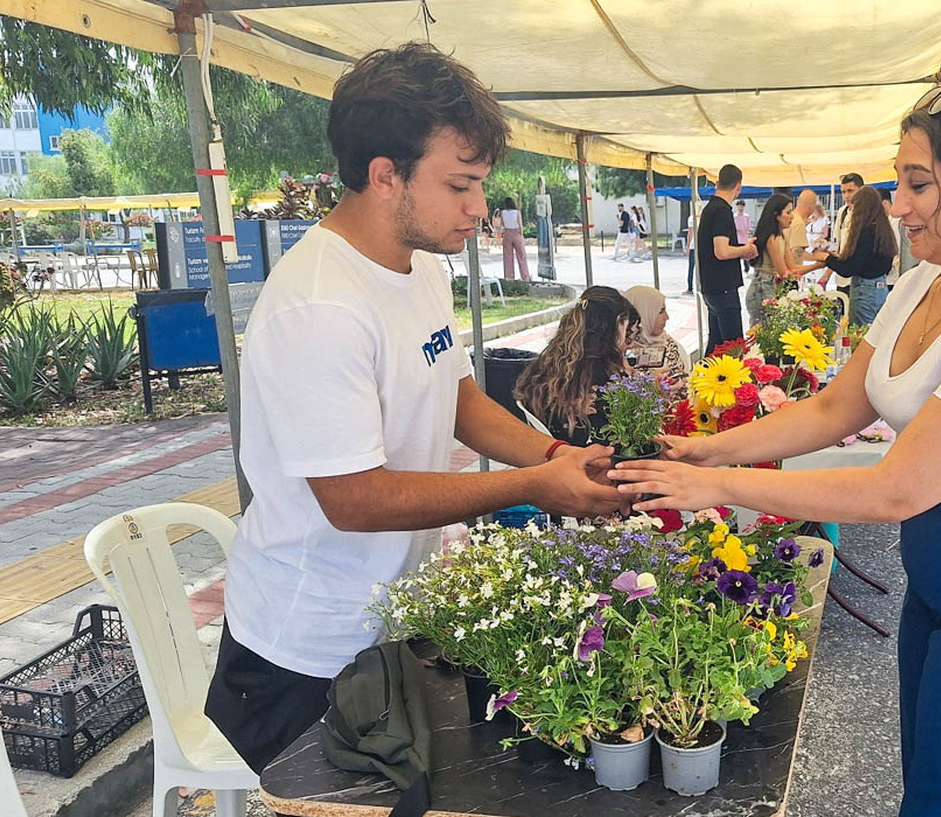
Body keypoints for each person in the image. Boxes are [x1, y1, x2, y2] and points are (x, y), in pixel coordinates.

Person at [611, 83, 941, 817]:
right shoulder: (920, 283)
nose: (897, 204)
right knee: (936, 785)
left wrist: (725, 488)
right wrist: (709, 451)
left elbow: (897, 489)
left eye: (917, 184)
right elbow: (838, 406)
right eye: (898, 182)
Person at [203, 43, 626, 775]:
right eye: (460, 184)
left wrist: (555, 456)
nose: (478, 207)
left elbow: (457, 397)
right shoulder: (319, 305)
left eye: (481, 183)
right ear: (383, 175)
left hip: (390, 621)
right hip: (304, 652)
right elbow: (355, 498)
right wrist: (530, 486)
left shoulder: (420, 268)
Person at [514, 286, 639, 446]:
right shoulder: (598, 372)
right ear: (617, 323)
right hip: (591, 456)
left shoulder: (550, 361)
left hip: (553, 448)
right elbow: (628, 428)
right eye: (626, 326)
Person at [696, 164, 759, 351]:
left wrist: (742, 248)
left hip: (711, 286)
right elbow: (722, 251)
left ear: (717, 183)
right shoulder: (722, 211)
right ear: (738, 186)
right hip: (723, 287)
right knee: (734, 347)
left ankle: (701, 378)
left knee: (716, 346)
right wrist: (745, 250)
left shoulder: (710, 208)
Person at [745, 193, 824, 328]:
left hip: (771, 286)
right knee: (762, 333)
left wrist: (818, 264)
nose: (792, 216)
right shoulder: (773, 239)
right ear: (776, 215)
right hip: (762, 287)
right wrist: (818, 264)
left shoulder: (782, 236)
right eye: (788, 212)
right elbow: (785, 273)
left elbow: (792, 267)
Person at [819, 186, 895, 327]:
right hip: (880, 288)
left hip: (865, 291)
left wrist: (826, 258)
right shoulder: (883, 229)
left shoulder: (867, 232)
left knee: (860, 335)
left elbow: (849, 268)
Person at [623, 285, 689, 400]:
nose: (667, 317)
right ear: (643, 313)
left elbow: (684, 388)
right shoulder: (622, 351)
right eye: (661, 311)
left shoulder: (669, 345)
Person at [818, 172, 864, 295]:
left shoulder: (867, 214)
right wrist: (827, 273)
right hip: (842, 277)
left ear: (861, 190)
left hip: (860, 279)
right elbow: (836, 243)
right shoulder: (842, 212)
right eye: (843, 192)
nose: (847, 196)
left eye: (850, 191)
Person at [880, 187, 918, 290]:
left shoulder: (897, 223)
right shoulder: (884, 222)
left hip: (896, 277)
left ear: (884, 203)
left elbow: (895, 250)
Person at [498, 196, 531, 280]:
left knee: (508, 256)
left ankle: (509, 277)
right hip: (516, 233)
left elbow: (502, 225)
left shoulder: (503, 213)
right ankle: (525, 276)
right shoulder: (517, 212)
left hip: (507, 233)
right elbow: (520, 225)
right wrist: (521, 235)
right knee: (521, 255)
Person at [786, 189, 819, 266]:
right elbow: (796, 254)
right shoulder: (799, 223)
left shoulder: (791, 218)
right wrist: (820, 257)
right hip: (790, 273)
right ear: (811, 206)